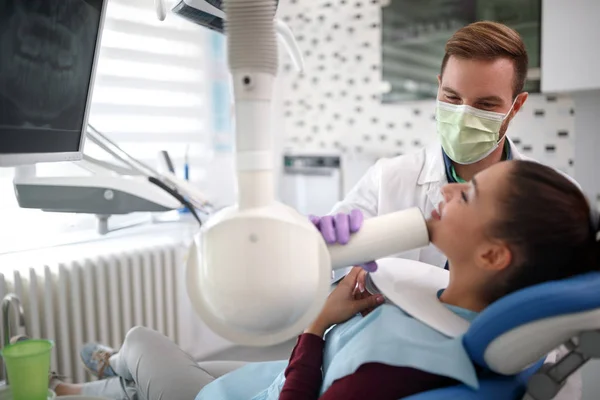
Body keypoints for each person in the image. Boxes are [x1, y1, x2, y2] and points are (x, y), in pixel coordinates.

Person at [48, 160, 599, 399]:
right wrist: (321, 240)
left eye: (471, 195)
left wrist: (317, 324)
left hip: (297, 377)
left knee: (142, 339)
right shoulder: (449, 306)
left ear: (495, 253)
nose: (451, 190)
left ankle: (113, 370)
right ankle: (101, 384)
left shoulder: (393, 369)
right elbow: (324, 252)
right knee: (166, 371)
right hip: (289, 377)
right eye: (451, 96)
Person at [311, 21, 582, 399]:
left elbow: (553, 327)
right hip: (373, 366)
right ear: (438, 87)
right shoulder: (390, 178)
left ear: (516, 105)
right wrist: (324, 243)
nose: (463, 115)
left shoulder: (551, 203)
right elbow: (325, 269)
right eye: (452, 98)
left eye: (486, 105)